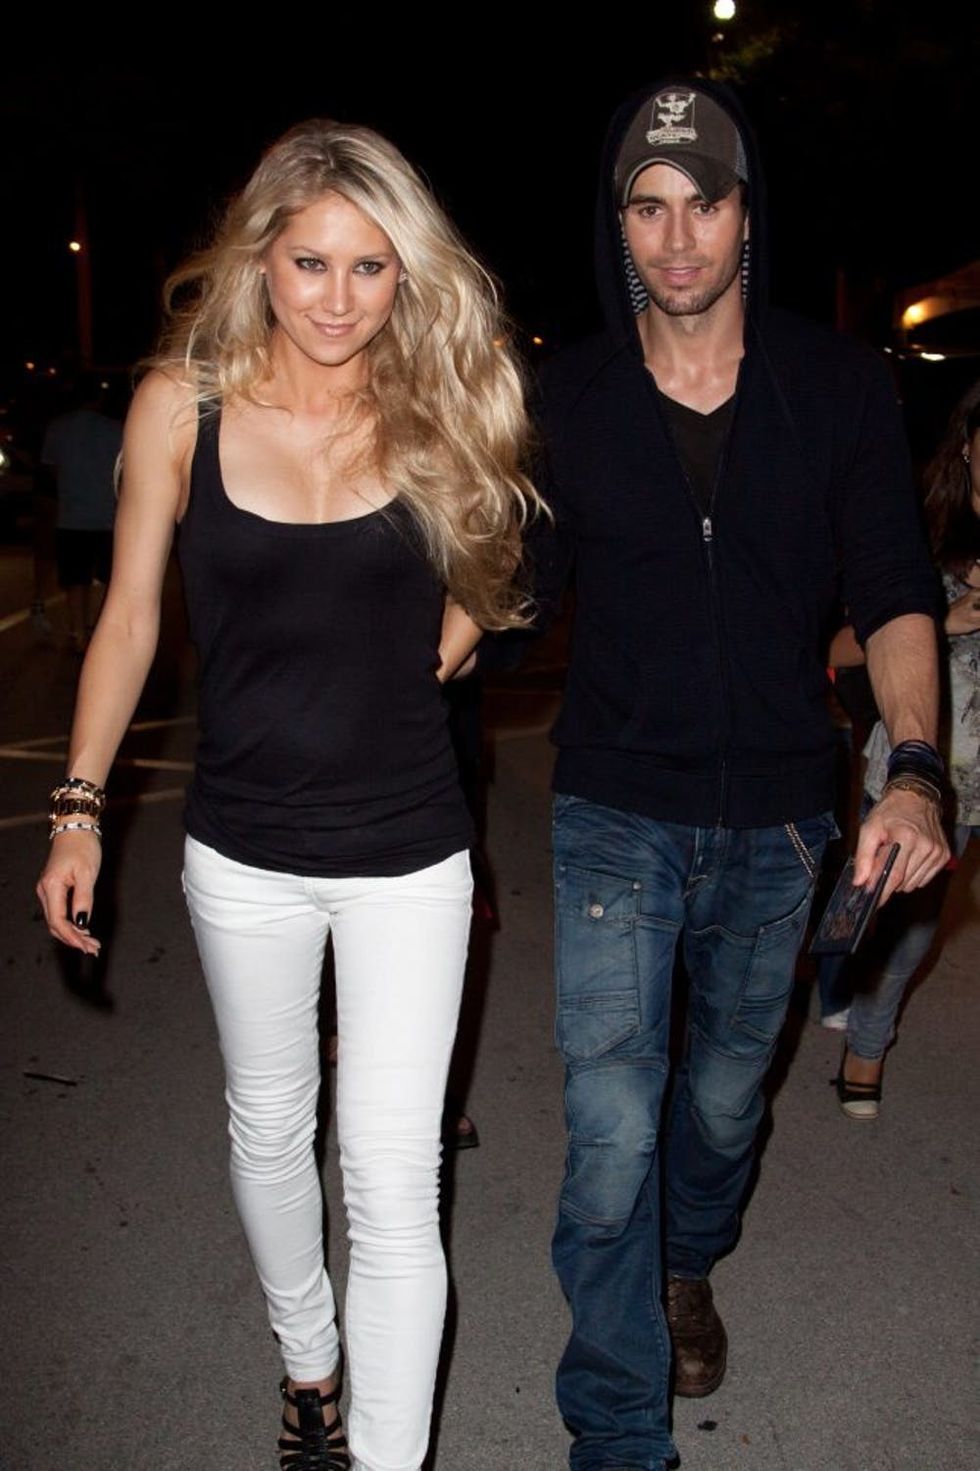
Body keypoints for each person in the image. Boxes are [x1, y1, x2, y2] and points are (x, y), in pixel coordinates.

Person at [36, 119, 538, 1471]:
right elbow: (132, 619)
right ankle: (306, 1359)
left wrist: (475, 607)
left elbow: (494, 558)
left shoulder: (441, 401)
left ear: (405, 276)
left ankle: (383, 1455)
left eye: (370, 268)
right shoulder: (176, 405)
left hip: (408, 850)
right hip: (243, 852)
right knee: (270, 1129)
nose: (336, 297)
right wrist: (77, 806)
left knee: (392, 1176)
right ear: (261, 254)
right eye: (309, 260)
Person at [530, 79, 949, 1470]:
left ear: (745, 211)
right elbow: (508, 587)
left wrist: (915, 772)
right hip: (613, 804)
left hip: (779, 816)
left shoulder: (836, 387)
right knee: (608, 1121)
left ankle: (686, 1258)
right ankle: (617, 1427)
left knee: (717, 1103)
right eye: (646, 208)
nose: (675, 236)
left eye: (701, 201)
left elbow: (894, 594)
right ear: (621, 225)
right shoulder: (572, 394)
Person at [824, 382, 980, 1119]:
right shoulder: (921, 535)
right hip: (911, 770)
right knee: (876, 907)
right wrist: (946, 619)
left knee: (910, 921)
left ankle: (862, 1030)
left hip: (977, 781)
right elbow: (842, 648)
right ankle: (850, 1010)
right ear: (967, 450)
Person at [39, 373, 123, 650]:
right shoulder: (115, 429)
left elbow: (52, 468)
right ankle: (99, 631)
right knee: (109, 579)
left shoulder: (58, 428)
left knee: (76, 579)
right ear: (98, 399)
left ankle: (78, 632)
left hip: (72, 516)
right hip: (107, 517)